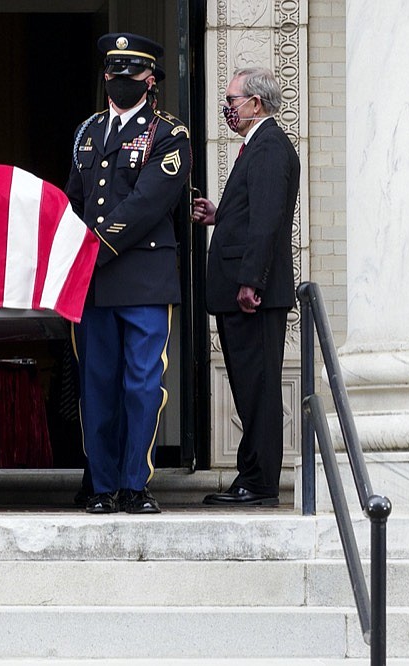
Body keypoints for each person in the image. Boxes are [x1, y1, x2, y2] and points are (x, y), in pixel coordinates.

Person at [65, 33, 192, 514]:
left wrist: (94, 247)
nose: (119, 82)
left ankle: (135, 483)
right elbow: (74, 199)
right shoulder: (88, 131)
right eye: (113, 73)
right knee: (97, 386)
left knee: (141, 384)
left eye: (130, 74)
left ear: (150, 79)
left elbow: (147, 203)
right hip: (91, 284)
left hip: (141, 277)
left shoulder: (168, 133)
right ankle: (101, 485)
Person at [192, 67, 300, 506]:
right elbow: (254, 210)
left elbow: (268, 221)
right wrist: (221, 214)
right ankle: (252, 476)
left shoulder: (270, 147)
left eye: (232, 100)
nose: (227, 109)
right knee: (250, 387)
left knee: (257, 388)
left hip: (253, 296)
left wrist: (251, 281)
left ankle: (257, 483)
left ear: (256, 103)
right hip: (244, 291)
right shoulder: (258, 146)